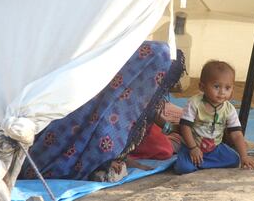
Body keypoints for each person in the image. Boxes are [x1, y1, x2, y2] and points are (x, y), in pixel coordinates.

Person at [19, 41, 184, 180]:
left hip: (34, 156)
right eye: (160, 77)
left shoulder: (127, 99)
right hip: (40, 163)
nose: (160, 84)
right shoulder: (107, 109)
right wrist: (111, 163)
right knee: (163, 148)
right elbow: (104, 146)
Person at [174, 60, 254, 174]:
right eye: (216, 86)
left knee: (234, 160)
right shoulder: (194, 103)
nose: (222, 92)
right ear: (202, 87)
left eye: (227, 88)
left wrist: (244, 156)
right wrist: (193, 148)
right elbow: (185, 127)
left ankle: (201, 164)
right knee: (183, 168)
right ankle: (198, 161)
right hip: (192, 146)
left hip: (215, 148)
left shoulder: (229, 109)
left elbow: (237, 134)